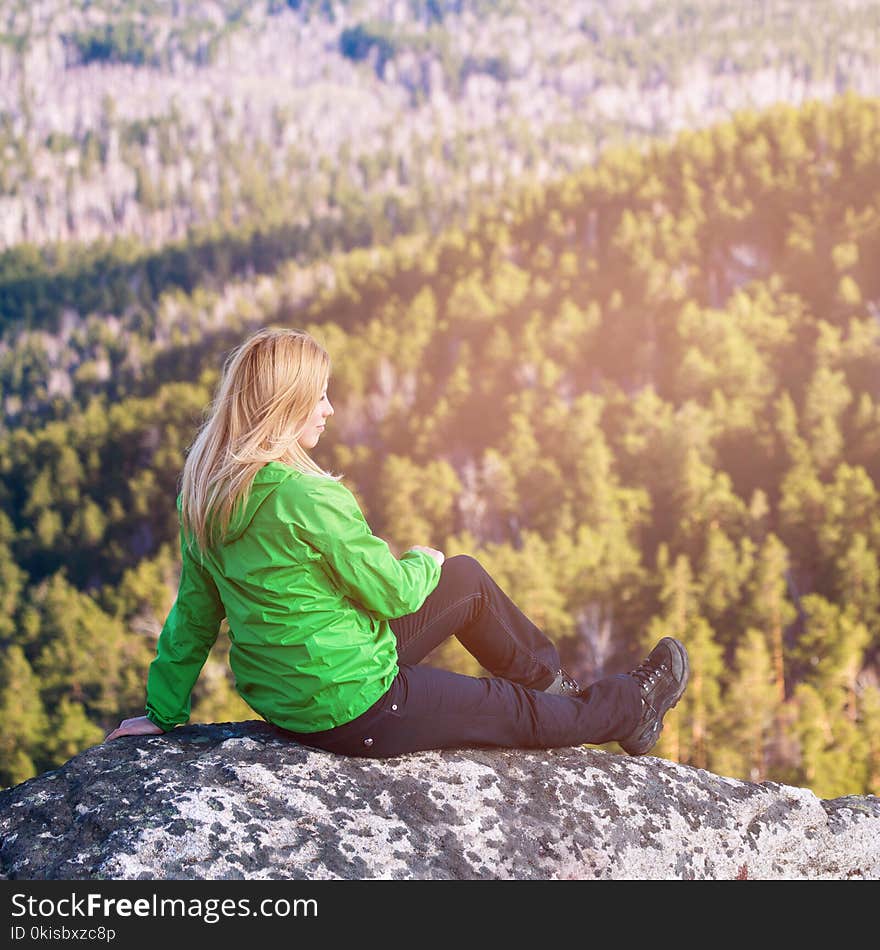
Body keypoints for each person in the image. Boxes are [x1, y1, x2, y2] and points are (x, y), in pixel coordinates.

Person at [106, 327, 689, 758]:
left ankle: (556, 685)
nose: (330, 409)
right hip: (355, 708)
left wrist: (164, 712)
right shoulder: (306, 498)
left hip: (290, 695)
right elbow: (392, 596)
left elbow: (195, 614)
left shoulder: (207, 495)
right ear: (283, 408)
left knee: (464, 580)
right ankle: (630, 707)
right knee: (513, 713)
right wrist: (419, 560)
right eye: (320, 397)